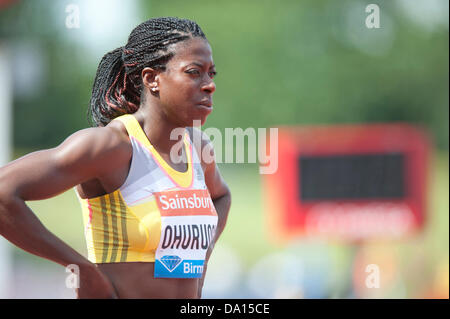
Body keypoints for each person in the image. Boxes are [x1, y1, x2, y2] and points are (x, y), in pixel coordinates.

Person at [0, 17, 231, 299]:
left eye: (211, 74)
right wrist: (81, 269)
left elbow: (221, 196)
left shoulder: (197, 148)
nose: (209, 85)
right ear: (151, 79)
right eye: (194, 72)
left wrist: (203, 253)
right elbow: (3, 193)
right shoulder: (111, 146)